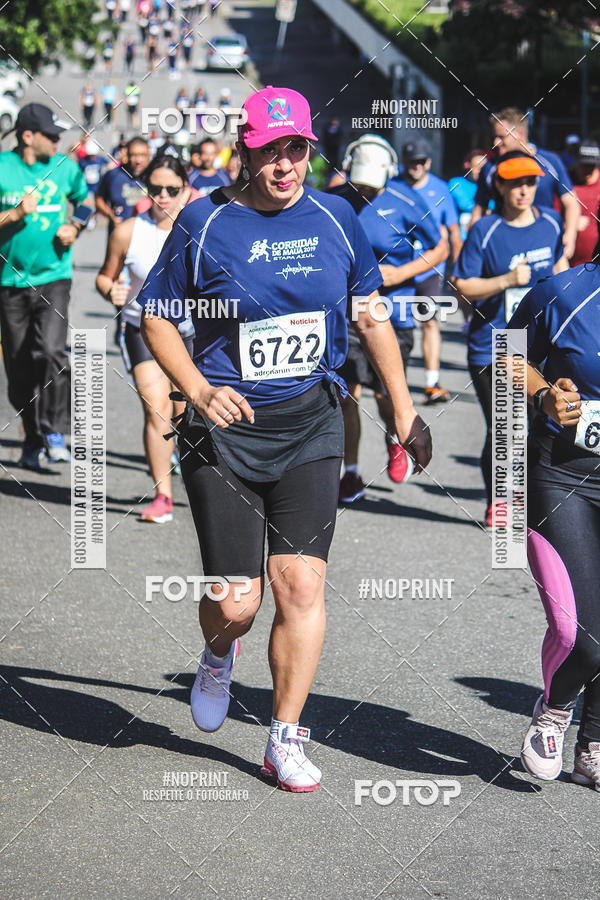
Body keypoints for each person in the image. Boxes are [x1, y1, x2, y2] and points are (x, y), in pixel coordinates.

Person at [138, 86, 432, 791]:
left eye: (295, 148)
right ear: (246, 150)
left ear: (309, 149)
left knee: (299, 583)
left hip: (309, 420)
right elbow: (156, 316)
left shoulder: (335, 217)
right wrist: (200, 390)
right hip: (223, 429)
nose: (284, 164)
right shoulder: (205, 222)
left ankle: (283, 736)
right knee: (237, 601)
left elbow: (371, 312)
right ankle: (218, 655)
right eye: (269, 150)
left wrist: (403, 410)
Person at [506, 246, 600, 791]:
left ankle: (594, 742)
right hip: (565, 479)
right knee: (582, 634)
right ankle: (555, 707)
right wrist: (542, 394)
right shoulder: (563, 292)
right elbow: (507, 355)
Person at [453, 151, 568, 526]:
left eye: (530, 182)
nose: (524, 190)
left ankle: (533, 499)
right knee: (505, 426)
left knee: (538, 424)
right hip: (494, 345)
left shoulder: (550, 223)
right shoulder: (485, 230)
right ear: (499, 186)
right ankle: (498, 501)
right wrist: (506, 281)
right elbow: (463, 286)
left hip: (540, 346)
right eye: (515, 182)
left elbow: (561, 272)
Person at [329, 134, 447, 501]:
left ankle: (396, 436)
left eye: (372, 186)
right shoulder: (335, 202)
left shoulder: (406, 201)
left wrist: (401, 273)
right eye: (360, 183)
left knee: (384, 394)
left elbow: (441, 246)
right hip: (350, 315)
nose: (365, 191)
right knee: (349, 394)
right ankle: (350, 473)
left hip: (394, 314)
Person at [96, 155, 195, 522]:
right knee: (157, 409)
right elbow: (105, 277)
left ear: (186, 189)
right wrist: (112, 292)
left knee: (188, 415)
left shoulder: (200, 229)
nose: (164, 197)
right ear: (146, 190)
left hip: (190, 332)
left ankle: (195, 481)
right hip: (143, 329)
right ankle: (163, 497)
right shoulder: (128, 230)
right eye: (156, 189)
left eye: (172, 189)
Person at [0, 104, 89, 469]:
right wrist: (15, 214)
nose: (57, 141)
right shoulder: (3, 168)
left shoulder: (65, 167)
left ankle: (55, 431)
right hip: (8, 282)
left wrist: (76, 227)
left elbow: (86, 203)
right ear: (27, 137)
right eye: (51, 136)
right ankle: (32, 438)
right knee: (19, 367)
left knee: (52, 352)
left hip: (53, 277)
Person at [397, 138, 462, 404]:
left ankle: (432, 382)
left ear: (429, 162)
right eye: (412, 162)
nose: (417, 166)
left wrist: (456, 273)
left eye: (421, 161)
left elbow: (454, 233)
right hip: (398, 269)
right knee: (394, 326)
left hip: (430, 270)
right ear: (404, 163)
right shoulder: (393, 187)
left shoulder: (441, 189)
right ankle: (394, 382)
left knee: (429, 322)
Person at [469, 107, 580, 259]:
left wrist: (570, 235)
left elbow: (571, 202)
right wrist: (471, 244)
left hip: (543, 243)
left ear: (520, 134)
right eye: (495, 137)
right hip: (502, 247)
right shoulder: (489, 167)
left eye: (502, 137)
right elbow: (479, 209)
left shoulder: (550, 161)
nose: (496, 142)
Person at [95, 136, 150, 230]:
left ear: (149, 156)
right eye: (134, 155)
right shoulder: (113, 175)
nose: (138, 160)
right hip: (118, 237)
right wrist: (110, 214)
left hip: (147, 236)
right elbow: (98, 199)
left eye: (143, 155)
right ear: (127, 155)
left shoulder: (154, 176)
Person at [569, 141, 600, 268]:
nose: (587, 171)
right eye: (583, 165)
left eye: (591, 166)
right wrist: (570, 224)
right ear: (575, 162)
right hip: (572, 265)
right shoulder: (567, 186)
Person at [448, 149, 488, 241]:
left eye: (483, 168)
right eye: (476, 167)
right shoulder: (456, 183)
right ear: (467, 166)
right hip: (460, 232)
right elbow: (463, 204)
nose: (479, 172)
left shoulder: (490, 187)